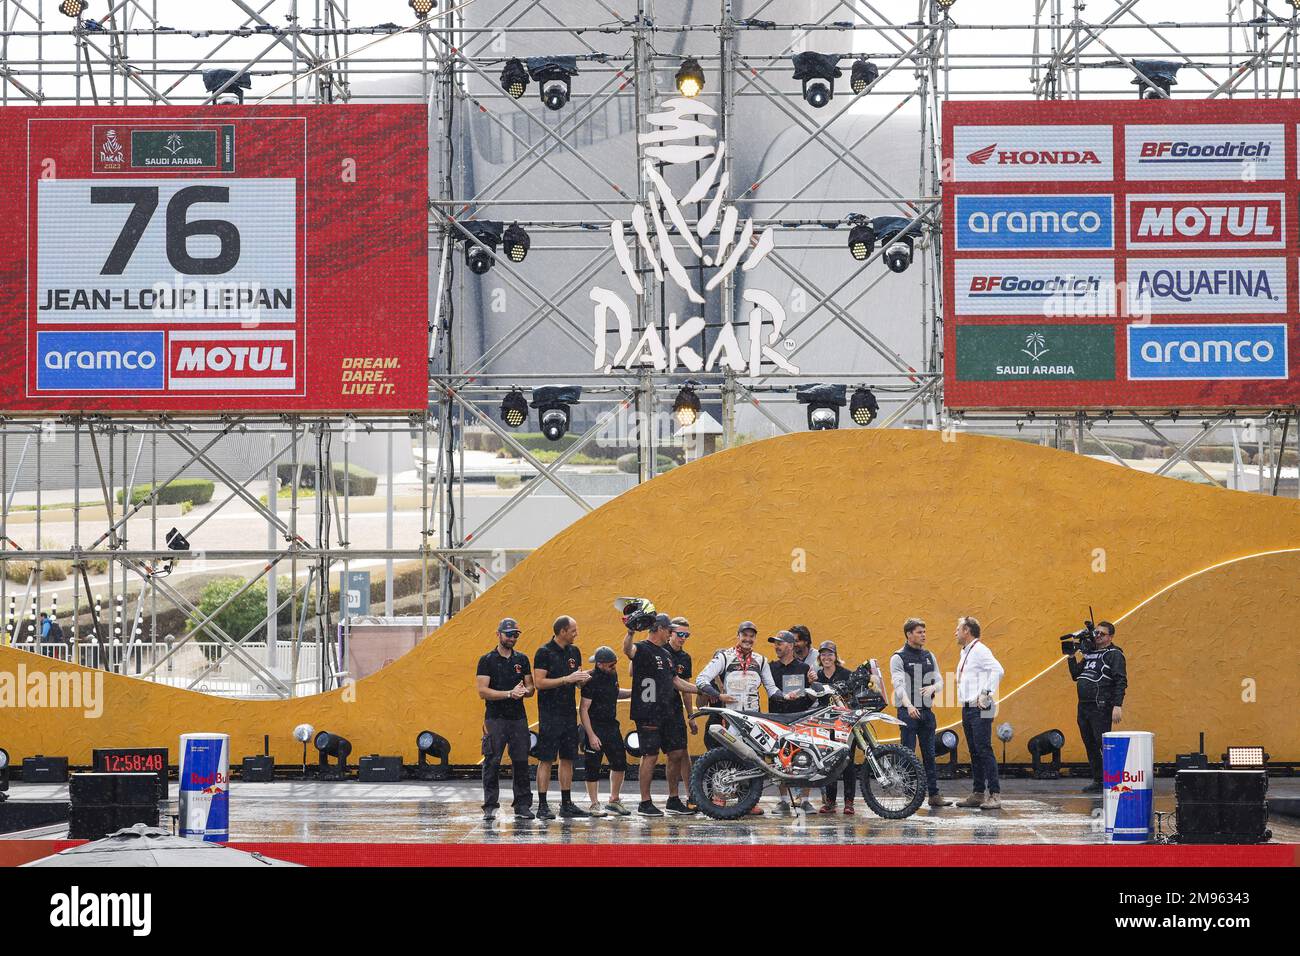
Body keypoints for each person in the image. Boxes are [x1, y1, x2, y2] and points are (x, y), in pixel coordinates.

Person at [694, 620, 780, 815]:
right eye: (745, 635)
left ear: (755, 638)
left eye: (752, 636)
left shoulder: (761, 660)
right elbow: (701, 679)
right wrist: (718, 696)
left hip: (753, 719)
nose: (748, 639)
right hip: (730, 718)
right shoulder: (725, 657)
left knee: (752, 759)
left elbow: (772, 690)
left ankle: (747, 801)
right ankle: (719, 799)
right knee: (727, 756)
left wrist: (793, 695)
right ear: (738, 635)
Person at [624, 613, 699, 816]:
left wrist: (701, 689)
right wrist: (630, 631)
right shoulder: (642, 647)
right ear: (660, 629)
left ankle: (673, 799)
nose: (671, 634)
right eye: (669, 630)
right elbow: (627, 650)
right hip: (648, 712)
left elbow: (677, 682)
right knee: (650, 755)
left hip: (669, 711)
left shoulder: (667, 655)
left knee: (676, 753)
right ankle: (644, 802)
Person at [475, 617, 536, 822]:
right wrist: (509, 693)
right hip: (495, 718)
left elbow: (530, 687)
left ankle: (522, 805)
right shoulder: (487, 660)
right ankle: (490, 806)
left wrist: (524, 692)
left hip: (518, 718)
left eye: (515, 635)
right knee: (492, 761)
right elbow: (483, 691)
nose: (512, 638)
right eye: (508, 634)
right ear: (498, 634)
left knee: (521, 762)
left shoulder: (522, 659)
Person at [532, 615, 592, 819]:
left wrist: (583, 679)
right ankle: (542, 805)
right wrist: (567, 678)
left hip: (568, 713)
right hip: (549, 714)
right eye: (573, 630)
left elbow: (577, 681)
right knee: (546, 759)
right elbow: (539, 682)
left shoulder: (574, 651)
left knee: (568, 758)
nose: (576, 633)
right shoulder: (544, 652)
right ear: (562, 631)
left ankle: (566, 803)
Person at [889, 618, 949, 809]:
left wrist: (933, 687)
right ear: (908, 634)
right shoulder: (898, 657)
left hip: (926, 712)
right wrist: (908, 706)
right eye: (919, 632)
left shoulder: (929, 655)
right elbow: (898, 686)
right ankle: (910, 795)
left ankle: (934, 794)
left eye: (924, 631)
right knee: (908, 754)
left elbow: (940, 681)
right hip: (908, 713)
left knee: (930, 754)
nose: (923, 635)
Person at [1068, 621, 1127, 794]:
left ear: (1110, 636)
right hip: (1084, 705)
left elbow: (1121, 680)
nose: (1098, 636)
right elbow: (1075, 675)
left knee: (1104, 744)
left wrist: (1117, 705)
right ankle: (1098, 779)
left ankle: (1116, 779)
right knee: (1090, 743)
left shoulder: (1114, 654)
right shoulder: (1090, 653)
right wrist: (1071, 656)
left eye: (1102, 634)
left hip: (1101, 704)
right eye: (1097, 633)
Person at [953, 616, 1004, 810]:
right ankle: (977, 793)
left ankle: (995, 794)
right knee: (975, 750)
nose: (955, 633)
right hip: (969, 707)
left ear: (967, 630)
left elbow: (998, 670)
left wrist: (985, 693)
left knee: (984, 749)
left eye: (958, 629)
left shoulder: (980, 650)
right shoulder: (966, 652)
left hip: (981, 706)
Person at [767, 629, 816, 815]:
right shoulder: (770, 668)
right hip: (777, 720)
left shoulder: (804, 669)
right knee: (780, 760)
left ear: (790, 645)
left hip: (800, 719)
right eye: (775, 644)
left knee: (805, 757)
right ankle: (783, 801)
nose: (776, 647)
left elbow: (811, 696)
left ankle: (804, 801)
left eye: (779, 643)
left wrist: (811, 685)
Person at [580, 645, 632, 816]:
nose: (614, 668)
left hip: (611, 725)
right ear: (600, 664)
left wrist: (633, 692)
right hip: (594, 726)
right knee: (592, 766)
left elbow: (615, 692)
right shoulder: (590, 679)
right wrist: (591, 735)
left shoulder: (612, 675)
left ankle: (614, 800)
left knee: (619, 762)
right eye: (611, 665)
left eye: (615, 664)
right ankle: (594, 803)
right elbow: (584, 709)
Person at [812, 641, 856, 814]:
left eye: (830, 654)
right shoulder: (817, 676)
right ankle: (830, 802)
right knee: (829, 762)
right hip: (826, 725)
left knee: (848, 762)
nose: (826, 657)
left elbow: (855, 697)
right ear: (819, 657)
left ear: (836, 656)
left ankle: (849, 802)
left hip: (846, 725)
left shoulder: (847, 674)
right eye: (823, 654)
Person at [664, 616, 699, 815]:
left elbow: (686, 690)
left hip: (674, 708)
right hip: (657, 709)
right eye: (680, 634)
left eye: (686, 635)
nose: (683, 638)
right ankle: (671, 796)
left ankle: (691, 794)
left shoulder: (684, 658)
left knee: (683, 752)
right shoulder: (660, 651)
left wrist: (691, 716)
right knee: (651, 755)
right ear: (670, 633)